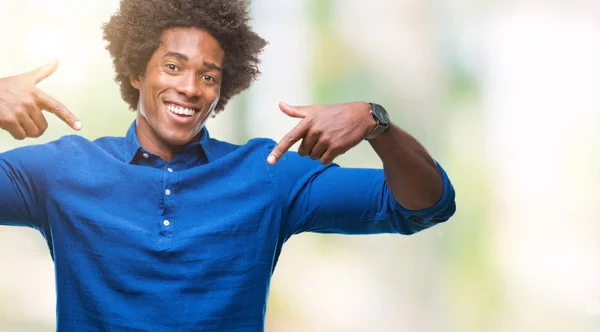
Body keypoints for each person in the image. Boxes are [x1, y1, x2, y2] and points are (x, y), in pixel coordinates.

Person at [0, 0, 456, 330]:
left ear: (222, 91)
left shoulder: (267, 173)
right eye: (173, 67)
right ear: (138, 72)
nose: (191, 88)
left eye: (208, 76)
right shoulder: (63, 171)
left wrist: (377, 123)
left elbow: (426, 203)